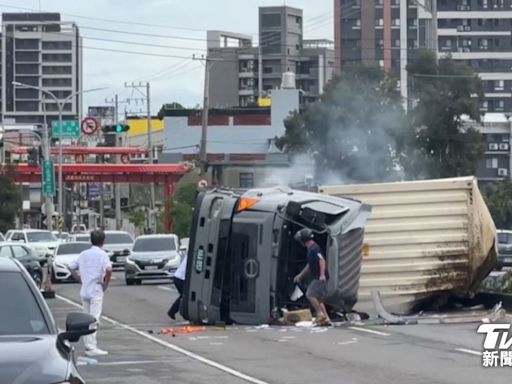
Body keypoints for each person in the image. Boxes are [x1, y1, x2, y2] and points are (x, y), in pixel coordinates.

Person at [69, 229, 113, 356]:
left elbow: (71, 267)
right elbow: (109, 270)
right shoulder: (103, 255)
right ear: (103, 241)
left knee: (86, 318)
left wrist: (80, 279)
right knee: (94, 319)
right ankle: (91, 346)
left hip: (85, 290)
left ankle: (87, 344)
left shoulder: (83, 254)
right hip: (96, 290)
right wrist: (105, 284)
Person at [293, 228, 331, 326]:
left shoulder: (315, 248)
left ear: (304, 240)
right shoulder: (310, 249)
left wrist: (322, 274)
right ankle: (326, 318)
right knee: (319, 298)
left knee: (310, 294)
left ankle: (320, 314)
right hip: (319, 277)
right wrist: (301, 275)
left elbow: (322, 260)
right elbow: (309, 265)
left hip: (320, 278)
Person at [167, 253, 188, 320]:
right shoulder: (192, 255)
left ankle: (172, 311)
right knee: (185, 296)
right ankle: (172, 312)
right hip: (180, 278)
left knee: (183, 296)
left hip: (178, 277)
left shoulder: (190, 254)